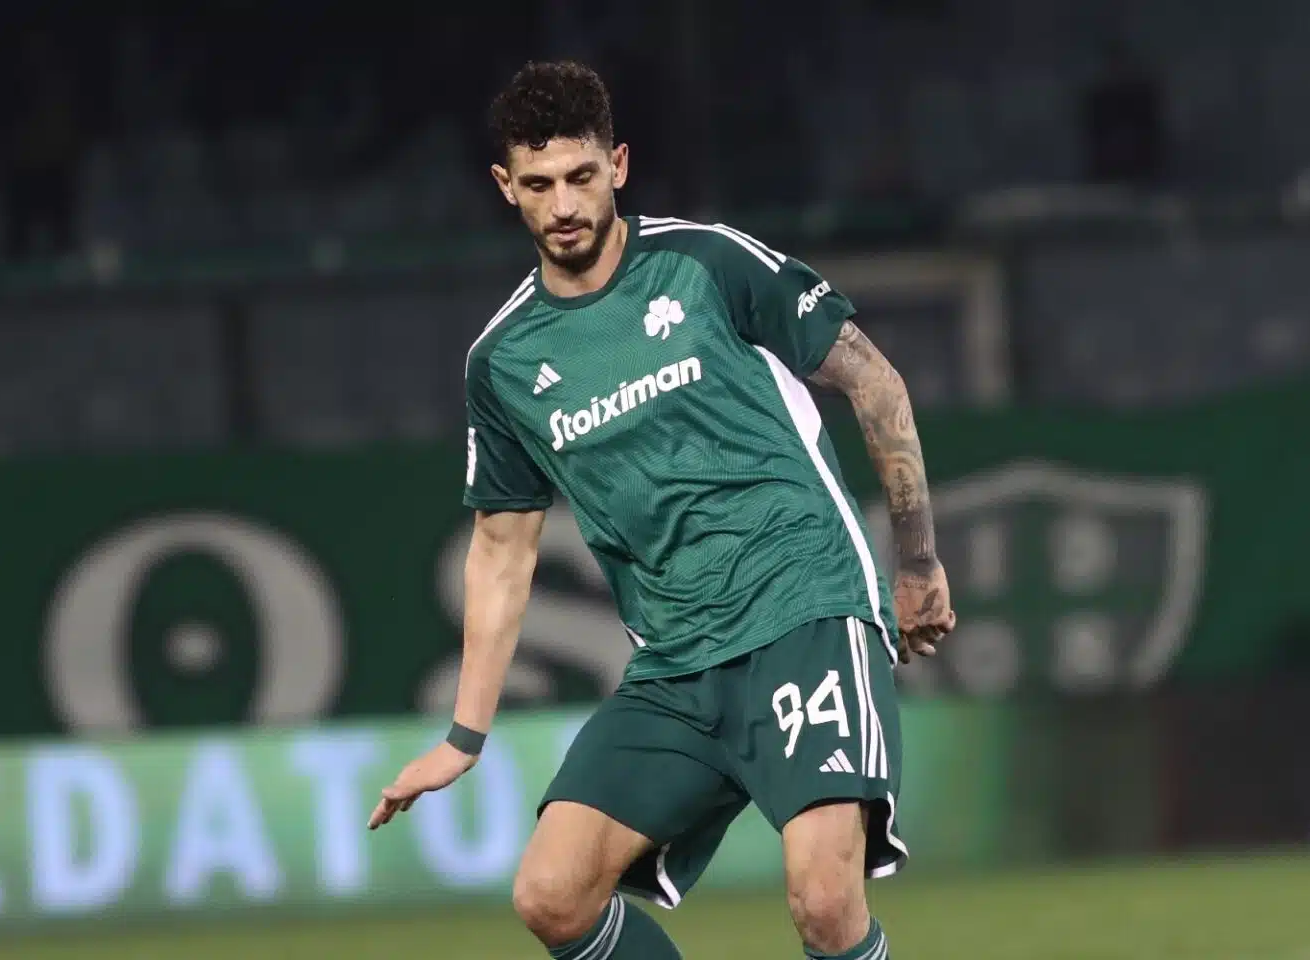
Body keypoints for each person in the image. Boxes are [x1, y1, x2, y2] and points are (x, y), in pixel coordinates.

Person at [369, 60, 957, 960]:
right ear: (505, 187)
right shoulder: (505, 360)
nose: (564, 204)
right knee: (552, 896)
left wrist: (916, 561)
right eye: (538, 184)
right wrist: (464, 736)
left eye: (580, 176)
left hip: (804, 611)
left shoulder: (705, 261)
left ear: (619, 166)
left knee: (823, 900)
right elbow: (501, 551)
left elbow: (874, 381)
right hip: (676, 662)